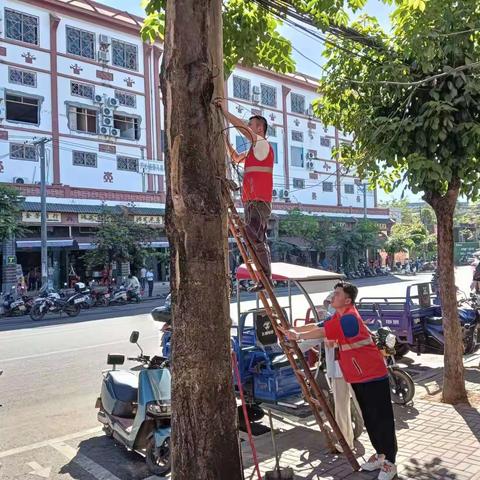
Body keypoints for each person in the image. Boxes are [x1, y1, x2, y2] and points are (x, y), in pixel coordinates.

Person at [280, 282, 398, 480]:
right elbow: (319, 326)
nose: (332, 297)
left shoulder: (349, 319)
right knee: (370, 419)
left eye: (336, 294)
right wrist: (291, 330)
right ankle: (380, 455)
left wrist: (297, 335)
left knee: (382, 419)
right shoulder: (339, 315)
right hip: (359, 375)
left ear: (347, 300)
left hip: (373, 375)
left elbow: (323, 332)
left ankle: (390, 463)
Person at [215, 99, 274, 292]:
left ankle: (266, 277)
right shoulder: (253, 150)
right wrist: (225, 142)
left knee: (255, 238)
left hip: (259, 200)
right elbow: (235, 158)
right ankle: (262, 277)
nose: (248, 127)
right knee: (254, 239)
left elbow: (241, 128)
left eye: (251, 125)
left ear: (259, 128)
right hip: (250, 200)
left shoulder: (263, 144)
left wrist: (225, 112)